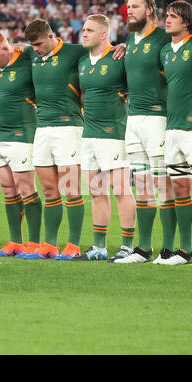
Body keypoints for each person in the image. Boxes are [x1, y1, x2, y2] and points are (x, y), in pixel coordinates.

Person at [153, 1, 192, 266]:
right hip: (173, 128)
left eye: (173, 16)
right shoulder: (165, 51)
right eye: (166, 15)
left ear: (187, 22)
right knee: (179, 189)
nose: (167, 19)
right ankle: (185, 250)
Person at [26, 18, 88, 260]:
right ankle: (49, 245)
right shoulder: (32, 55)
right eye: (32, 45)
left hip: (69, 128)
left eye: (39, 43)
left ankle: (73, 245)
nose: (36, 49)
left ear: (52, 36)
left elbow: (102, 51)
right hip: (42, 129)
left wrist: (120, 47)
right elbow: (10, 49)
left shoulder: (73, 52)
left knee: (71, 189)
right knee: (50, 189)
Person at [114, 0, 169, 263]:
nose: (129, 11)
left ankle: (173, 248)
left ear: (149, 10)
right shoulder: (130, 41)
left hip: (158, 118)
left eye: (135, 6)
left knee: (163, 185)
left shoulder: (164, 38)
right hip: (133, 119)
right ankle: (144, 249)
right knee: (144, 186)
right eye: (127, 6)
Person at [77, 14, 134, 260]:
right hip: (88, 134)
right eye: (83, 29)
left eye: (89, 30)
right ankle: (99, 248)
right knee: (96, 191)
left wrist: (128, 47)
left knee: (121, 190)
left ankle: (127, 247)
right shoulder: (82, 61)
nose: (84, 33)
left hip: (114, 134)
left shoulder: (120, 58)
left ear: (104, 34)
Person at [0, 30, 40, 257]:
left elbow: (45, 48)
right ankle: (16, 242)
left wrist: (23, 45)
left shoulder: (26, 58)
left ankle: (34, 243)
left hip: (22, 134)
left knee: (27, 189)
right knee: (7, 190)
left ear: (6, 48)